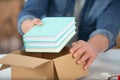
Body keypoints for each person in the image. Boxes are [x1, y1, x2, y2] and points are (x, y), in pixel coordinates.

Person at [18, 0, 120, 70]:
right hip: (42, 59)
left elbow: (107, 31)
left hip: (80, 63)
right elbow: (29, 12)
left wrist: (92, 46)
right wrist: (29, 25)